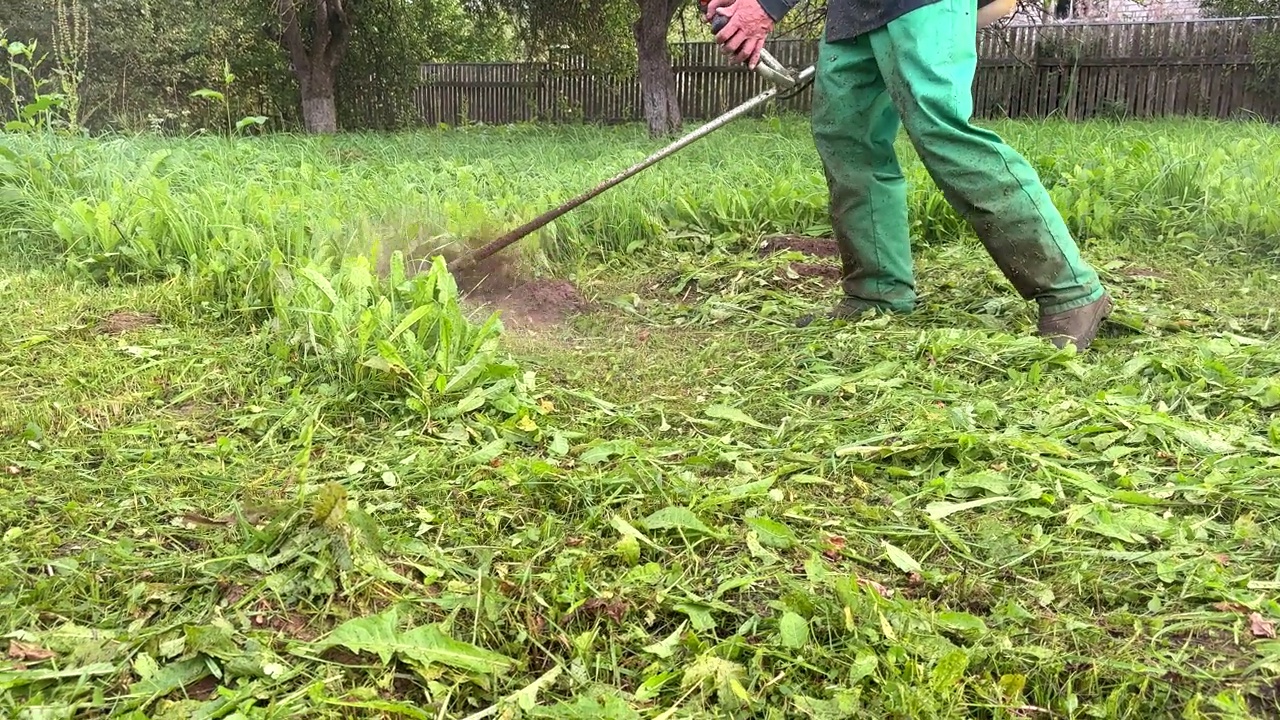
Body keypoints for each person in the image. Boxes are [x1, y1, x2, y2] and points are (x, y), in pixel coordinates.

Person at [703, 0, 1113, 351]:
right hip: (853, 12)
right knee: (846, 140)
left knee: (941, 130)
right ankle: (876, 292)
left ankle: (1070, 292)